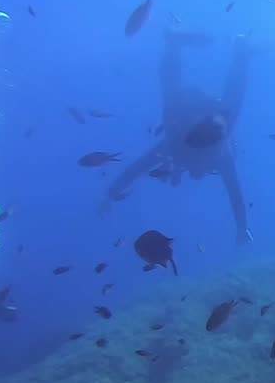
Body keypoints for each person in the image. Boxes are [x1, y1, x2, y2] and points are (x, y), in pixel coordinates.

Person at [100, 31, 255, 244]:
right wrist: (241, 228)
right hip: (201, 115)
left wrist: (111, 194)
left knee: (185, 96)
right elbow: (235, 195)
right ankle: (238, 52)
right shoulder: (220, 158)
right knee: (224, 101)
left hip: (192, 114)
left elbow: (137, 168)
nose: (199, 171)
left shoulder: (181, 152)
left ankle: (232, 52)